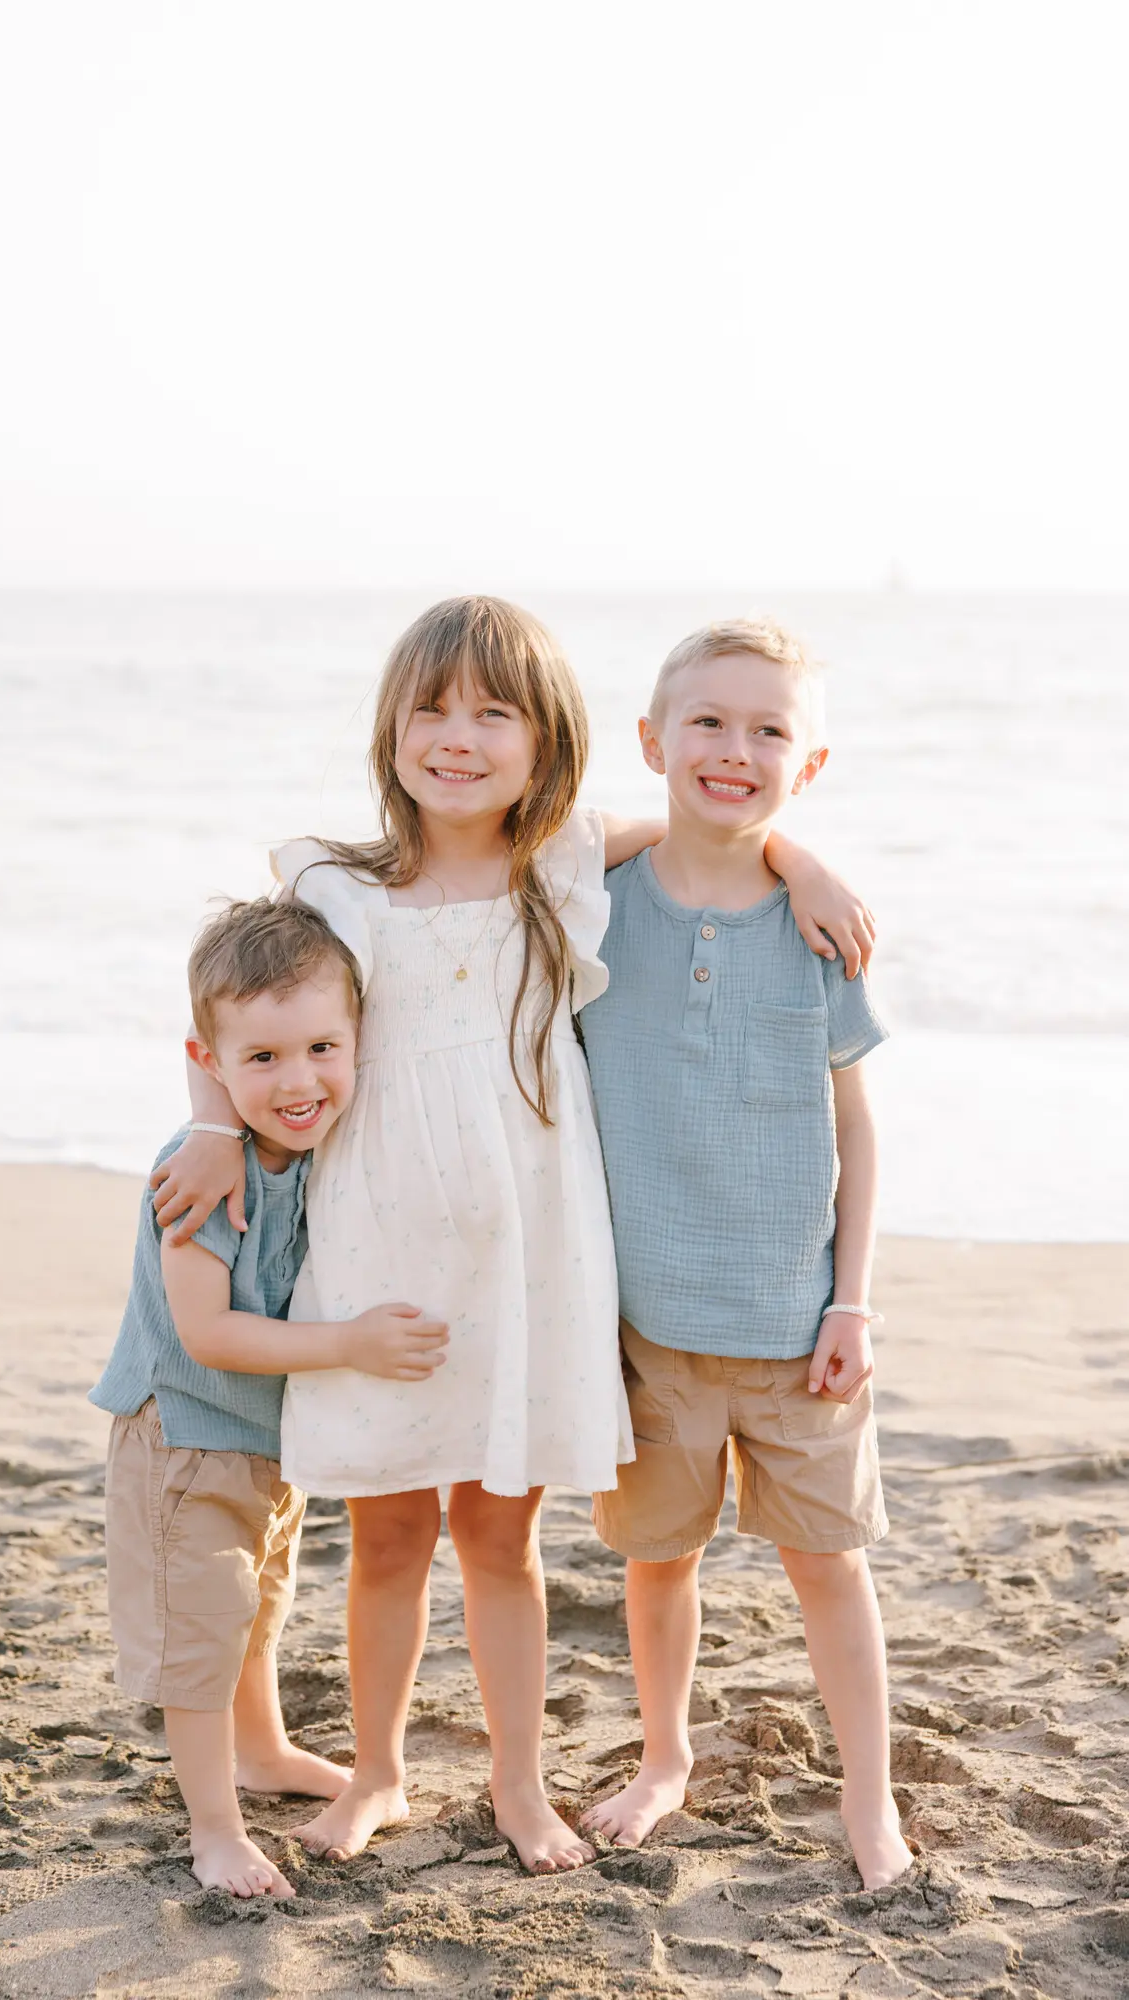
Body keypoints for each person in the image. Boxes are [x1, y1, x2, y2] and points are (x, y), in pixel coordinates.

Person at [153, 597, 873, 1874]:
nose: (459, 735)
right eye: (431, 707)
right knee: (385, 1535)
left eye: (495, 711)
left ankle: (516, 1783)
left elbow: (714, 825)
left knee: (499, 1534)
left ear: (546, 740)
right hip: (381, 1247)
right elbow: (231, 1000)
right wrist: (212, 1119)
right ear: (392, 729)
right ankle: (376, 1772)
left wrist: (801, 860)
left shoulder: (564, 866)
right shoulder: (334, 885)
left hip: (535, 1255)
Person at [577, 618, 912, 1890]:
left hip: (797, 1326)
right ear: (654, 741)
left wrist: (853, 1300)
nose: (735, 748)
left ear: (807, 762)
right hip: (649, 1326)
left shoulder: (818, 931)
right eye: (706, 722)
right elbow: (516, 850)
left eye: (770, 729)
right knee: (656, 1560)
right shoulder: (597, 909)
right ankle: (664, 1755)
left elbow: (853, 1122)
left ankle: (867, 1800)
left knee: (830, 1566)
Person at [89, 897, 447, 1900]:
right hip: (183, 1436)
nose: (298, 1081)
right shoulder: (200, 1170)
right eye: (262, 1060)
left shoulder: (311, 1143)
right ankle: (213, 1824)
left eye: (321, 1048)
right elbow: (207, 1330)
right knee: (200, 1633)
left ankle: (265, 1751)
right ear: (211, 1060)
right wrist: (350, 1345)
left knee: (256, 1610)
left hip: (262, 1441)